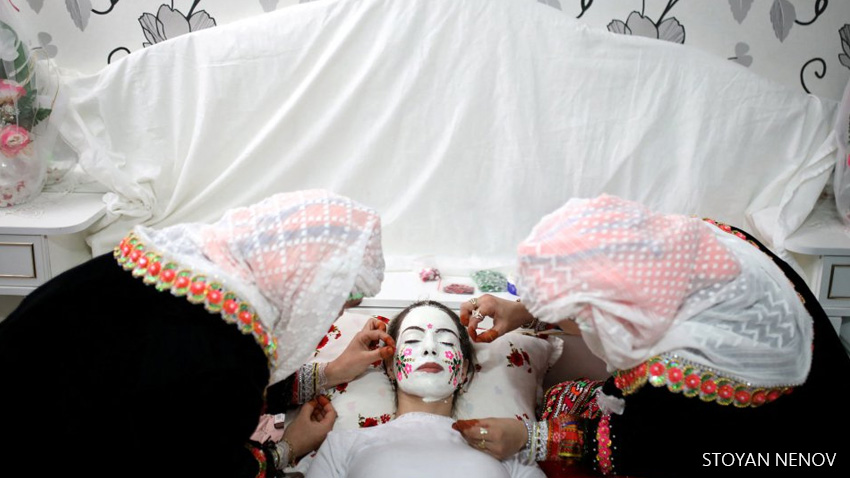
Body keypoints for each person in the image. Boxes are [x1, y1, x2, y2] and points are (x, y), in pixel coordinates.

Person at [454, 194, 850, 477]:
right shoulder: (701, 243)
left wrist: (529, 436)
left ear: (620, 321)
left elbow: (644, 446)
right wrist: (526, 309)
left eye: (575, 315)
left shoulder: (676, 375)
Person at [0, 189, 385, 477]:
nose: (330, 318)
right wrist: (289, 449)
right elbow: (206, 457)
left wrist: (328, 374)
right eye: (334, 303)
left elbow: (169, 392)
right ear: (305, 287)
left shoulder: (173, 265)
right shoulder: (226, 355)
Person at [305, 300, 546, 478]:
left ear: (462, 370)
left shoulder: (506, 444)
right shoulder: (343, 444)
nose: (430, 348)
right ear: (390, 366)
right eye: (412, 341)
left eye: (446, 342)